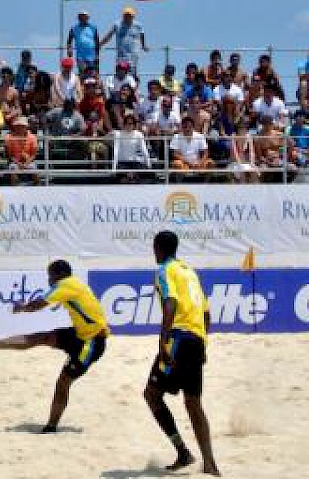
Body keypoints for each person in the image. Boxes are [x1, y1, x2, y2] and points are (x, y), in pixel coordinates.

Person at [0, 259, 109, 434]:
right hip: (80, 334)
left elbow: (39, 304)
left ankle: (51, 427)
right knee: (42, 337)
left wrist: (22, 307)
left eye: (50, 276)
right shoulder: (72, 284)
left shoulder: (66, 284)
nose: (49, 280)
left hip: (91, 344)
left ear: (59, 274)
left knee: (63, 382)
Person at [143, 231, 220, 475]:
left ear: (158, 248)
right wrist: (204, 344)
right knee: (193, 403)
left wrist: (162, 342)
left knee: (152, 394)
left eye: (154, 248)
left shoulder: (165, 270)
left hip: (177, 339)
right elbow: (207, 313)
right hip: (197, 340)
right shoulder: (190, 272)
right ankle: (210, 464)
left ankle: (183, 452)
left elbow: (170, 304)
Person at [99, 7, 148, 71]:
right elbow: (109, 36)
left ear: (133, 16)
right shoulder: (117, 24)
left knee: (132, 73)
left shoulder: (138, 25)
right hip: (121, 55)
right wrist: (100, 44)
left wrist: (143, 46)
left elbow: (142, 35)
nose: (127, 17)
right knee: (120, 72)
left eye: (129, 15)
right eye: (125, 15)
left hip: (133, 54)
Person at [112, 113, 151, 183]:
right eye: (127, 123)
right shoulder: (118, 134)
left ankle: (133, 178)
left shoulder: (139, 134)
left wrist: (148, 165)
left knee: (147, 173)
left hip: (135, 162)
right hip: (122, 162)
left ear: (134, 125)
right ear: (124, 124)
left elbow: (144, 150)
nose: (129, 125)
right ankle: (128, 178)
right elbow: (116, 150)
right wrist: (114, 168)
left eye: (131, 123)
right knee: (119, 176)